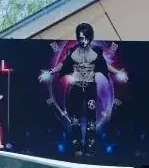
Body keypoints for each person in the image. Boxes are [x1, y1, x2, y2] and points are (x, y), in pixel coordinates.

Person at [38, 22, 128, 157]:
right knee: (75, 119)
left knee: (91, 120)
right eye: (80, 38)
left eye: (86, 37)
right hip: (76, 88)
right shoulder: (72, 51)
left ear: (90, 37)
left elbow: (104, 65)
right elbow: (63, 64)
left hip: (90, 87)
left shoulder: (97, 51)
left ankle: (90, 149)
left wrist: (117, 72)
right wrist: (50, 72)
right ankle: (77, 148)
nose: (83, 41)